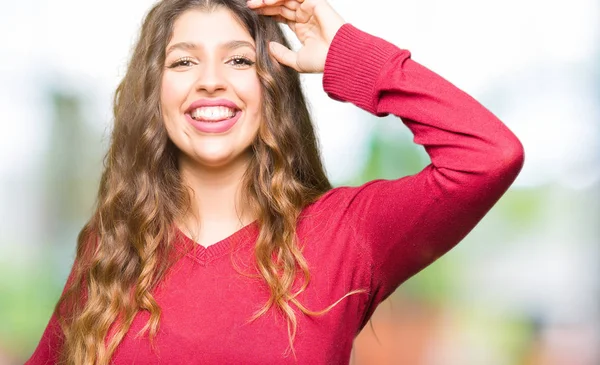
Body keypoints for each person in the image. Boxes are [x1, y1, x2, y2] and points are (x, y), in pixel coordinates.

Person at [25, 0, 525, 364]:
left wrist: (351, 56)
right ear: (154, 97)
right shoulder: (111, 247)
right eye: (183, 61)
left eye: (239, 59)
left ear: (272, 89)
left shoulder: (345, 233)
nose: (211, 79)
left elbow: (488, 156)